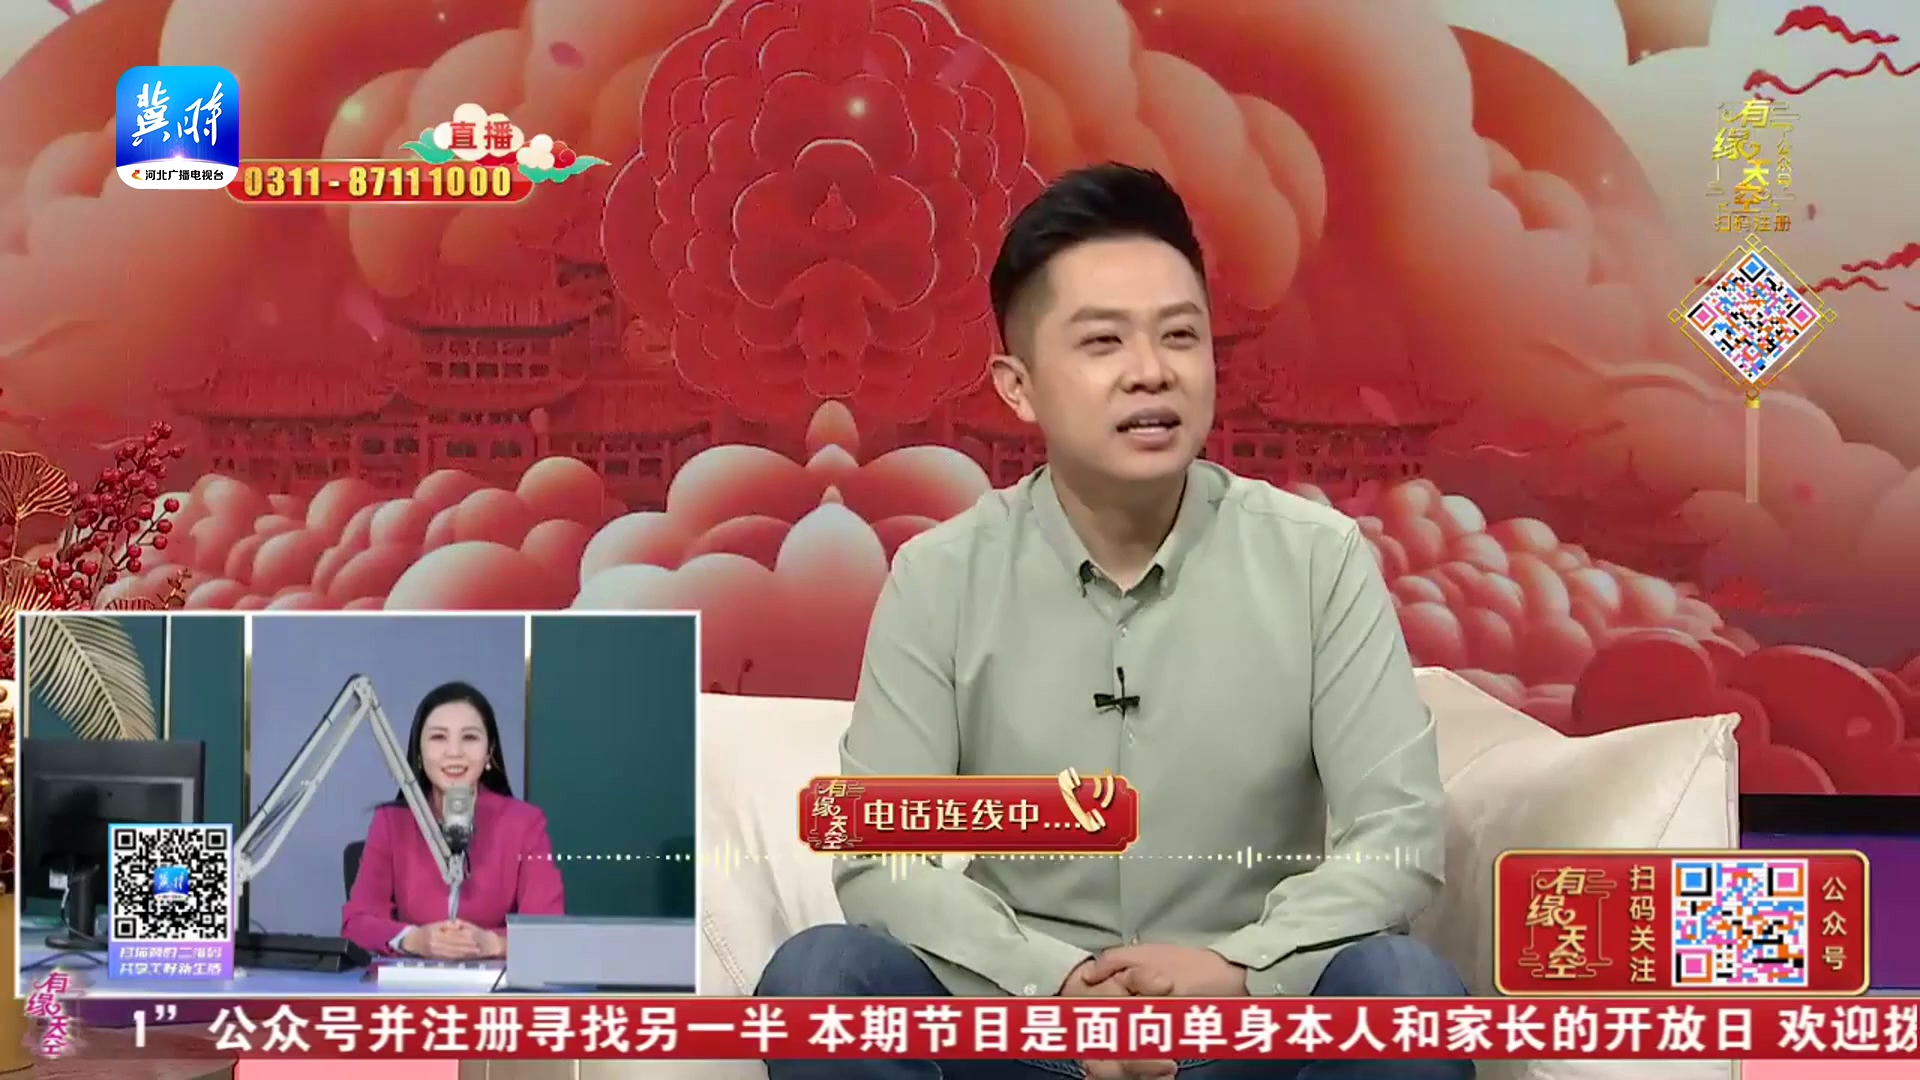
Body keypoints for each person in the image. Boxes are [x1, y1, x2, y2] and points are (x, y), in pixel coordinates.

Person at [756, 163, 1469, 1079]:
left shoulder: (1316, 559)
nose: (1151, 372)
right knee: (819, 980)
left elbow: (1397, 836)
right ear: (1018, 386)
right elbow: (879, 855)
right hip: (1024, 1030)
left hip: (1240, 1024)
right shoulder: (940, 576)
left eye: (1180, 335)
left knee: (1407, 991)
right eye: (1103, 342)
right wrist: (1053, 984)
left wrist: (1237, 971)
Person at [341, 681, 565, 959]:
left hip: (493, 982)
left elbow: (547, 929)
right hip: (412, 982)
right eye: (438, 737)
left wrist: (493, 943)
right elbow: (357, 923)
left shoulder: (525, 824)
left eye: (469, 737)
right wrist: (414, 939)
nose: (455, 752)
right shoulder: (390, 822)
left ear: (489, 752)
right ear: (419, 753)